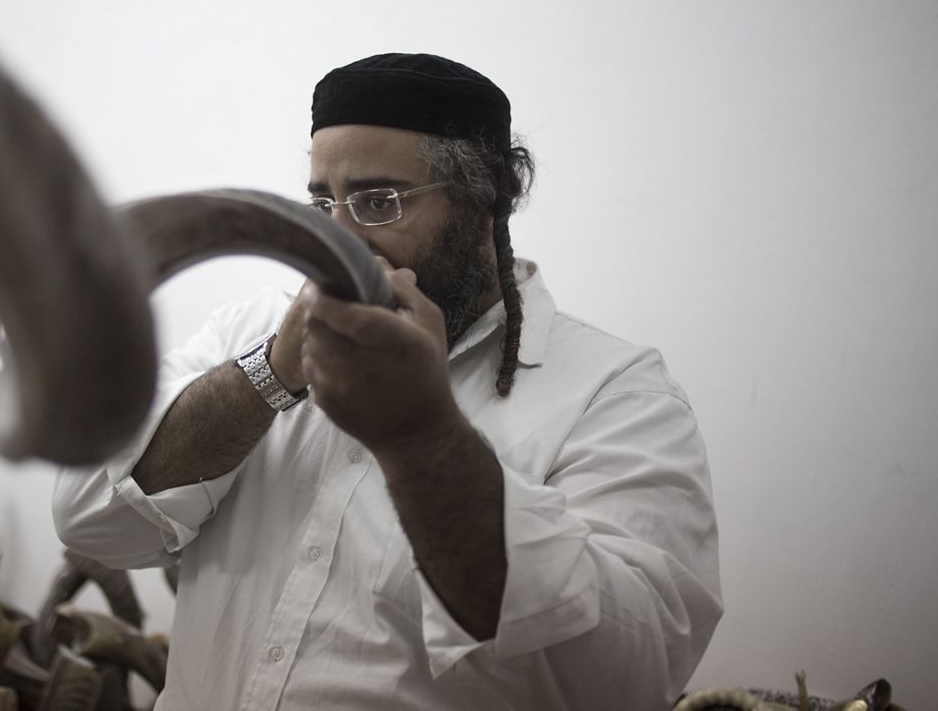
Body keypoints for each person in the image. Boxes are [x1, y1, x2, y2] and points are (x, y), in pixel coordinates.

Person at [54, 53, 722, 710]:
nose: (338, 241)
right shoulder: (256, 329)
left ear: (488, 199)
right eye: (324, 203)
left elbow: (628, 677)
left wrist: (420, 435)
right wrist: (271, 375)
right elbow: (90, 518)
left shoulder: (618, 394)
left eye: (378, 201)